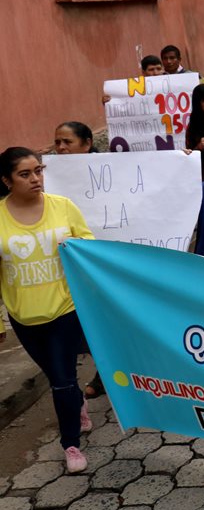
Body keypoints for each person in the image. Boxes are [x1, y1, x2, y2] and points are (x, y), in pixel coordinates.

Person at [0, 147, 94, 472]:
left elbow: (88, 246)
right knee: (58, 375)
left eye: (38, 171)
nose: (36, 178)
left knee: (61, 380)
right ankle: (77, 400)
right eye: (25, 174)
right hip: (23, 316)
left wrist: (75, 247)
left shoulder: (63, 207)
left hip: (64, 310)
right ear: (6, 180)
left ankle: (70, 444)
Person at [47, 124, 105, 400]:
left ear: (87, 143)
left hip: (104, 263)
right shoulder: (45, 177)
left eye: (66, 141)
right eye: (57, 142)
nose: (60, 147)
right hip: (67, 269)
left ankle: (110, 372)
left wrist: (184, 158)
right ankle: (100, 374)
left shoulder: (114, 168)